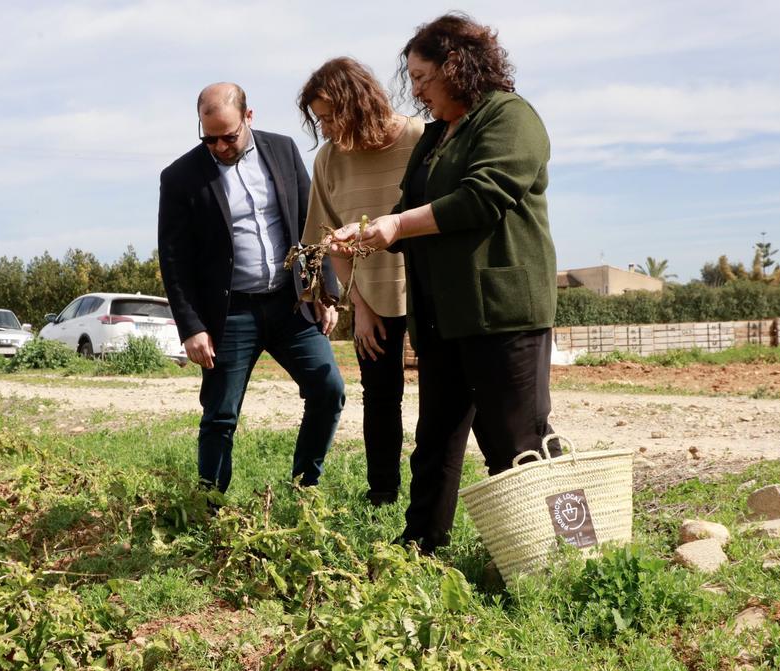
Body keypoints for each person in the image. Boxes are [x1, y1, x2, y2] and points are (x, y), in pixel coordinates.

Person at [330, 13, 560, 552]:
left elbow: (481, 198)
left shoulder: (510, 118)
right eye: (410, 78)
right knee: (435, 441)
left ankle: (544, 558)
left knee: (516, 442)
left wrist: (396, 226)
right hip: (442, 316)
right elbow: (407, 211)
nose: (414, 91)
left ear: (457, 67)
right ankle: (421, 546)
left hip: (502, 315)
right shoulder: (435, 136)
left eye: (422, 77)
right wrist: (368, 234)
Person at [158, 83, 346, 495]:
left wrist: (325, 292)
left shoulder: (282, 150)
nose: (221, 146)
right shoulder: (180, 177)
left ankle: (304, 487)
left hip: (290, 304)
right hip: (230, 314)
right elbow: (174, 261)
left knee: (328, 389)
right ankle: (209, 502)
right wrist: (191, 327)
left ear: (249, 117)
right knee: (220, 414)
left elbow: (310, 224)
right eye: (210, 139)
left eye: (229, 136)